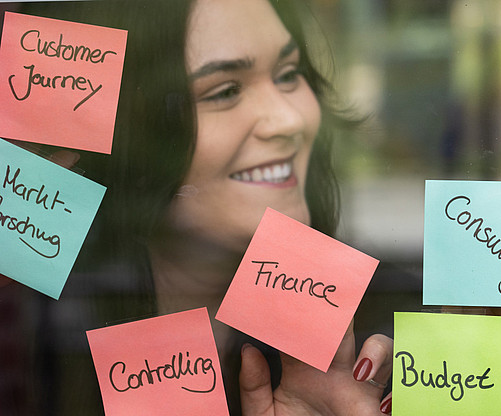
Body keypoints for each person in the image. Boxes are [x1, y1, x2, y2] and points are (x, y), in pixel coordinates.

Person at [14, 0, 396, 414]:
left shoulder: (387, 334)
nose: (289, 120)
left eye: (289, 74)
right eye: (226, 91)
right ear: (130, 134)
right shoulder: (32, 338)